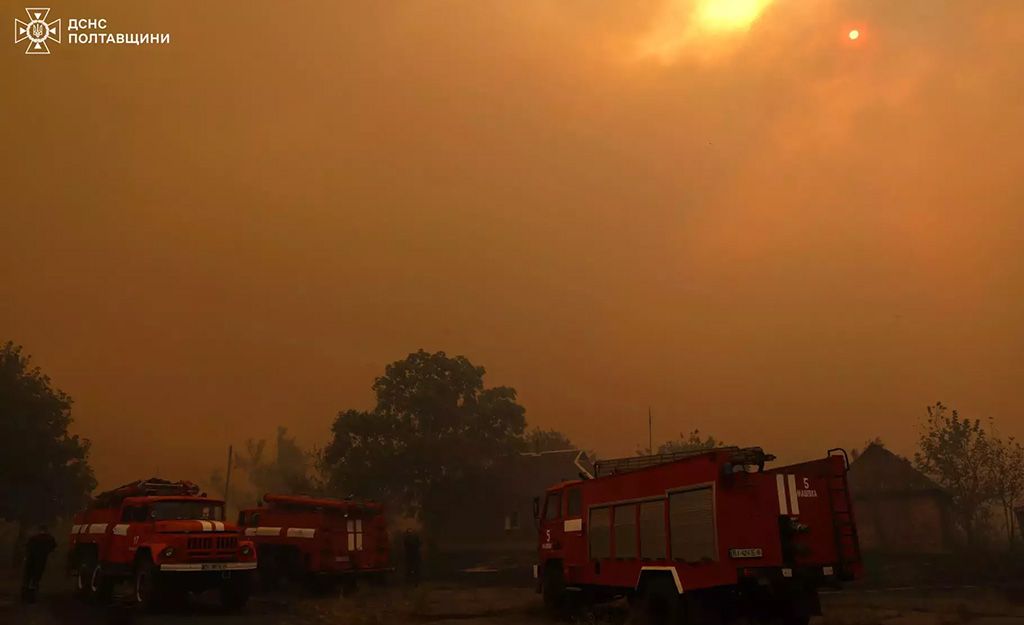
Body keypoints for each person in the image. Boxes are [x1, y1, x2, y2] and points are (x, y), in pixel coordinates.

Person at [21, 525, 57, 603]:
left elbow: (27, 547)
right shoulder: (49, 538)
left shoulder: (33, 537)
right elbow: (53, 547)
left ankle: (25, 594)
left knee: (27, 576)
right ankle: (32, 594)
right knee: (36, 577)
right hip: (40, 560)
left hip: (30, 559)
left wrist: (26, 557)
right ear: (46, 530)